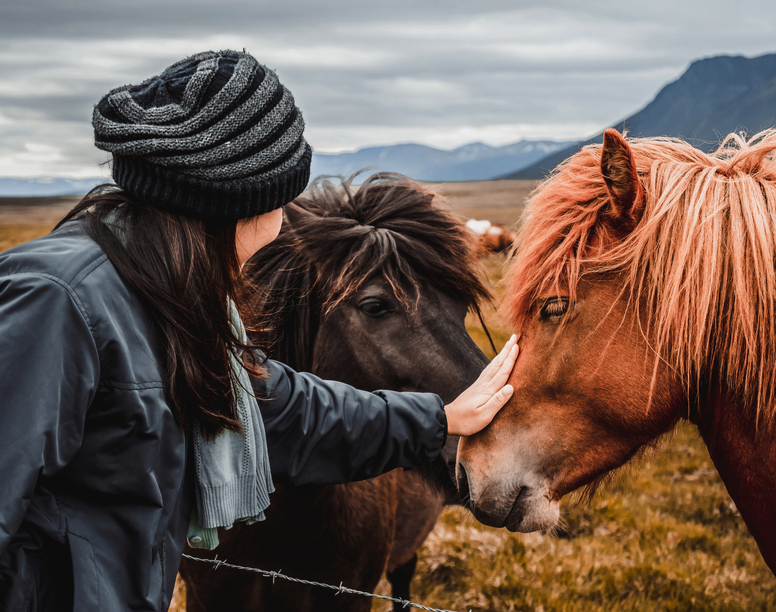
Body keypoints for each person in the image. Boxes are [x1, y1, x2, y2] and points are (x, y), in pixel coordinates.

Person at [0, 50, 518, 612]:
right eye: (282, 200)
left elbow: (280, 408)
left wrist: (439, 418)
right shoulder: (59, 300)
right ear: (239, 206)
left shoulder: (170, 297)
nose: (284, 221)